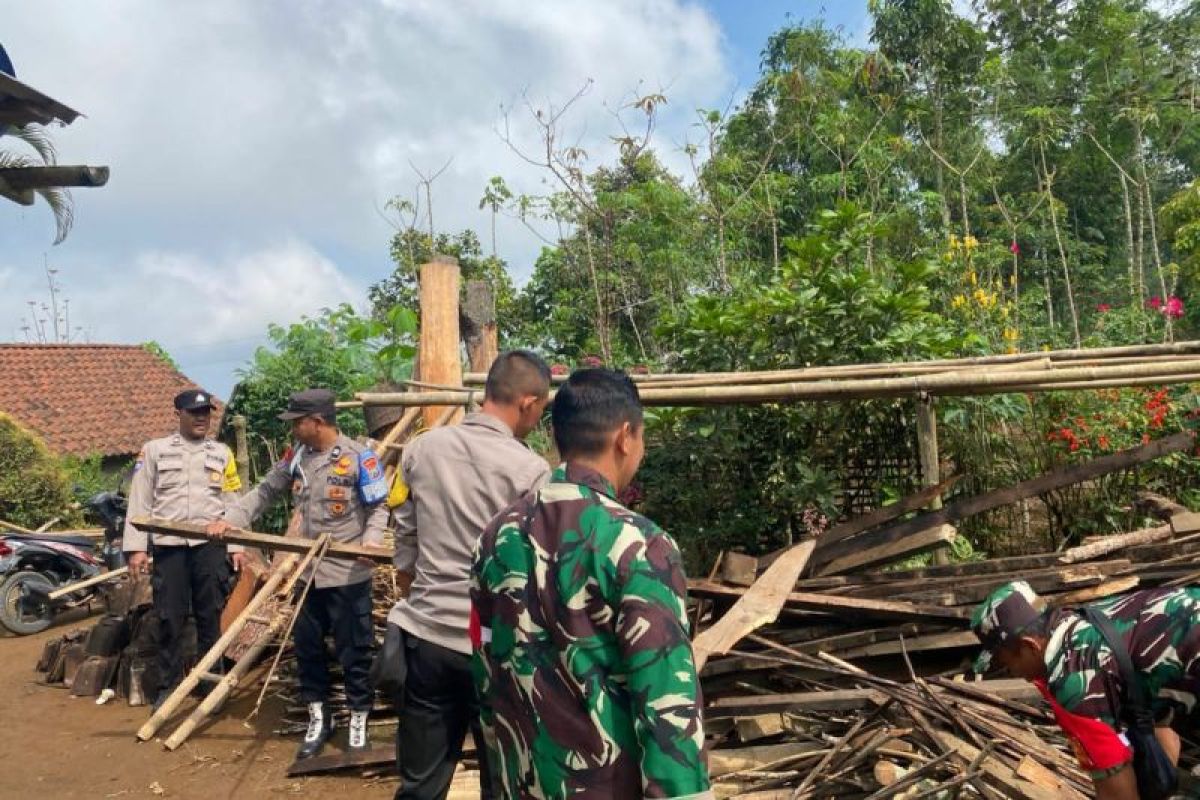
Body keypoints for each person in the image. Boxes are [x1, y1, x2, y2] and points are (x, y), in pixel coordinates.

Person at [469, 368, 713, 800]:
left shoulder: (496, 536)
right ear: (625, 436)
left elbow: (486, 665)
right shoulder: (637, 544)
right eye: (641, 437)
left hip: (521, 782)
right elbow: (666, 702)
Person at [386, 349, 553, 800]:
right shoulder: (531, 471)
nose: (538, 419)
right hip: (492, 648)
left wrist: (418, 592)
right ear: (528, 402)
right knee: (501, 782)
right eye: (541, 409)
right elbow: (532, 566)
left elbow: (404, 538)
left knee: (420, 785)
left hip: (428, 641)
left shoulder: (421, 449)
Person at [208, 388, 389, 759]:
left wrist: (370, 543)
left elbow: (379, 508)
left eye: (297, 422)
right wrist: (229, 521)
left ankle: (358, 720)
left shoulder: (360, 459)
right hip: (307, 576)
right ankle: (319, 719)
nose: (292, 428)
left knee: (355, 652)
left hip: (348, 575)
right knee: (308, 651)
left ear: (317, 422)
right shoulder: (297, 459)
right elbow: (264, 493)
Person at [972, 580, 1200, 800]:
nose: (1012, 673)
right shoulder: (1089, 618)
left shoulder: (1074, 680)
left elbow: (1117, 794)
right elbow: (1161, 728)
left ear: (1030, 645)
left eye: (1006, 663)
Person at [123, 389, 243, 708]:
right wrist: (136, 549)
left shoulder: (222, 453)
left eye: (206, 413)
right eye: (194, 413)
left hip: (210, 547)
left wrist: (236, 545)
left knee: (210, 616)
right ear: (178, 414)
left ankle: (209, 682)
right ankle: (168, 686)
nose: (202, 418)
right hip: (170, 547)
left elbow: (232, 503)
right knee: (169, 617)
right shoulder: (154, 451)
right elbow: (139, 501)